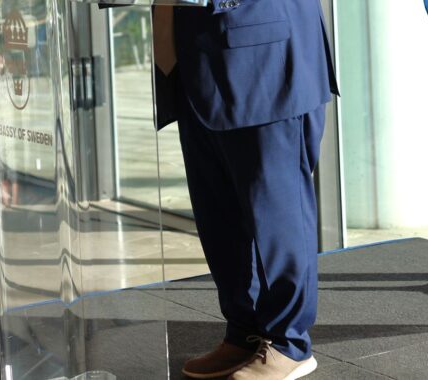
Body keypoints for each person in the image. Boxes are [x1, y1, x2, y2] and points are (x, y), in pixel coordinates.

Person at [122, 0, 338, 378]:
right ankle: (245, 332)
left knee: (277, 214)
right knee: (218, 217)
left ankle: (289, 343)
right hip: (196, 64)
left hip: (263, 59)